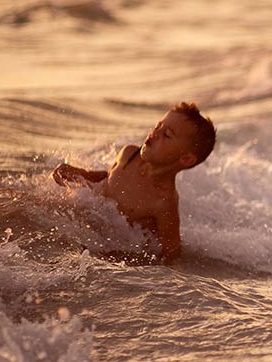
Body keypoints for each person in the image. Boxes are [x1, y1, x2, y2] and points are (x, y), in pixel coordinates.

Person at [51, 102, 215, 262]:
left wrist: (134, 263)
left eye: (167, 135)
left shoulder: (164, 203)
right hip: (84, 222)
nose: (155, 133)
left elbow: (171, 253)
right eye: (158, 126)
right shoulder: (129, 154)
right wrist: (78, 174)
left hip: (106, 248)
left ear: (185, 159)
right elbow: (106, 178)